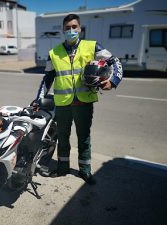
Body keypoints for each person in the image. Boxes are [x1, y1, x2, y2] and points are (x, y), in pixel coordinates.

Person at [38, 14, 123, 185]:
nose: (71, 30)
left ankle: (85, 171)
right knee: (62, 137)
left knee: (83, 137)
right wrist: (38, 99)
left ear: (80, 28)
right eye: (67, 28)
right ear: (63, 30)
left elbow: (115, 62)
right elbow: (47, 78)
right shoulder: (53, 53)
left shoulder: (92, 46)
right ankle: (62, 169)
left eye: (74, 27)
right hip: (62, 104)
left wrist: (113, 81)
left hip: (84, 102)